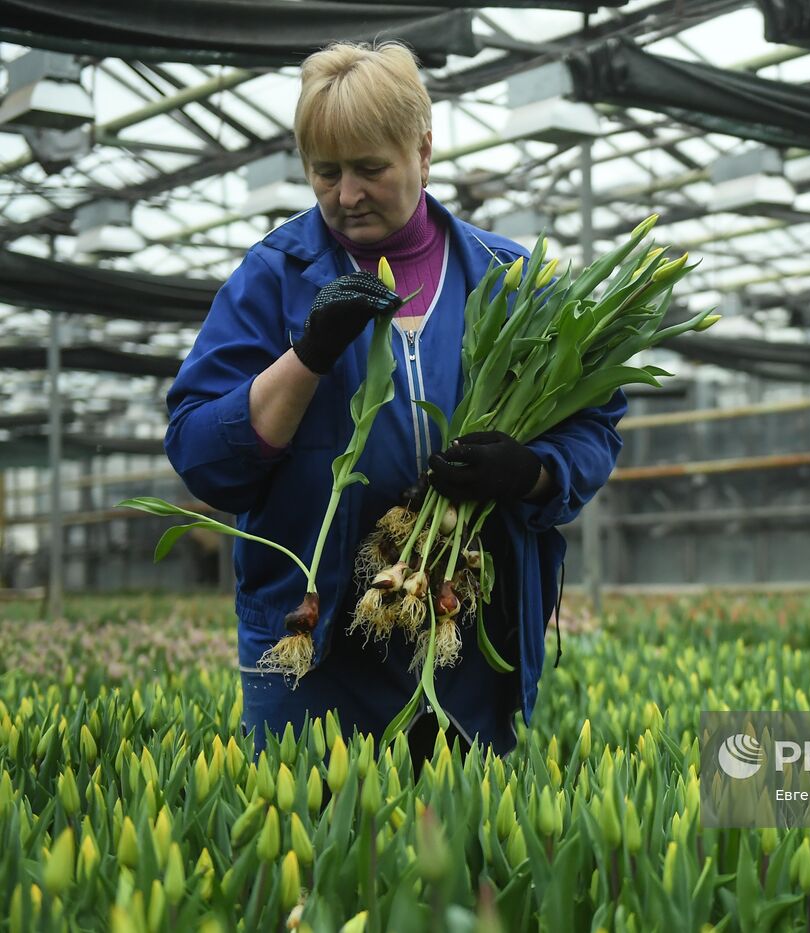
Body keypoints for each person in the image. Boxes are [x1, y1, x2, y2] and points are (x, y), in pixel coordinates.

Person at [163, 40, 625, 770]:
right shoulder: (273, 277)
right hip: (313, 655)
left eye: (371, 168)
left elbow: (595, 424)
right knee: (316, 854)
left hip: (464, 643)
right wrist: (308, 354)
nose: (347, 194)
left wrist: (529, 471)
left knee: (460, 858)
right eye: (326, 172)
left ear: (424, 148)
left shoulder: (506, 280)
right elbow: (201, 454)